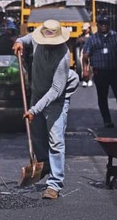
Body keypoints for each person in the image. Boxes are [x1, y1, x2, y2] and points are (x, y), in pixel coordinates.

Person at [13, 20, 80, 200]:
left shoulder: (63, 55)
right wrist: (20, 41)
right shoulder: (37, 40)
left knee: (56, 140)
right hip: (37, 92)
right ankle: (46, 165)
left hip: (56, 98)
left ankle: (54, 184)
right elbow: (28, 38)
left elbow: (56, 90)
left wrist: (34, 110)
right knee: (37, 135)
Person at [81, 16, 117, 129]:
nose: (103, 25)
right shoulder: (92, 39)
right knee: (102, 97)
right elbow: (85, 55)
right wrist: (85, 70)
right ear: (98, 25)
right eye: (101, 23)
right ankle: (107, 120)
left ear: (109, 24)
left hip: (116, 71)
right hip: (100, 73)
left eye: (105, 23)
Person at [76, 22, 93, 86]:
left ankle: (90, 79)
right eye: (84, 30)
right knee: (83, 66)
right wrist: (80, 40)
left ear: (89, 29)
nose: (85, 31)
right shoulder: (81, 37)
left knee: (90, 66)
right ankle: (85, 80)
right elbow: (76, 43)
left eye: (86, 29)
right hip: (83, 52)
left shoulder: (92, 37)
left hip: (91, 52)